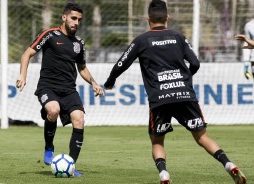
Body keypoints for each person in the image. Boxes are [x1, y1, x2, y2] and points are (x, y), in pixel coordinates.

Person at [104, 0, 246, 183]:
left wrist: (110, 82)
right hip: (184, 94)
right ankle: (228, 164)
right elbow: (195, 63)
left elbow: (120, 64)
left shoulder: (141, 40)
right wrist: (185, 78)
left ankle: (164, 174)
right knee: (202, 136)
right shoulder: (178, 37)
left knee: (157, 141)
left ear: (148, 19)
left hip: (160, 98)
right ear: (167, 17)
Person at [16, 1, 104, 177]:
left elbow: (82, 68)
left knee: (79, 119)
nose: (76, 23)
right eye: (73, 18)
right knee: (53, 110)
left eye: (79, 20)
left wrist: (93, 82)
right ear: (64, 17)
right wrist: (22, 76)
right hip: (47, 87)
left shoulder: (78, 43)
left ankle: (71, 165)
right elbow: (27, 53)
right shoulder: (49, 35)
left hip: (69, 90)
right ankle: (49, 147)